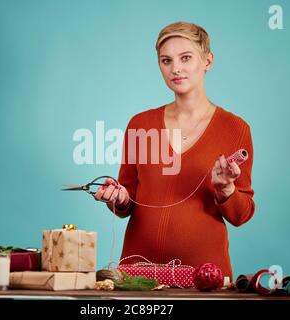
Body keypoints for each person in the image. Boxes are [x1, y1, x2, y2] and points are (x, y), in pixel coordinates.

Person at [94, 21, 255, 282]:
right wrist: (119, 197)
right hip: (138, 278)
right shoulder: (140, 124)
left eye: (186, 58)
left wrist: (226, 191)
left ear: (208, 61)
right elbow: (127, 200)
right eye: (166, 60)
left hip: (204, 278)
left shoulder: (236, 129)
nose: (175, 68)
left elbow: (241, 214)